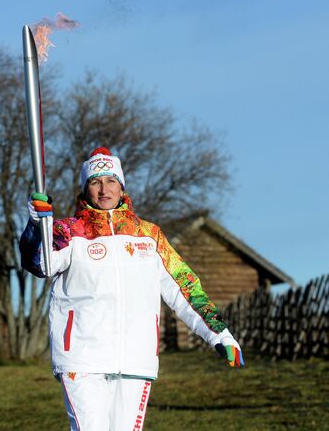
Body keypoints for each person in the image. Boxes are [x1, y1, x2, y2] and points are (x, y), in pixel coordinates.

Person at [20, 146, 243, 431]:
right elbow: (39, 263)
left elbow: (185, 287)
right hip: (82, 357)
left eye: (111, 180)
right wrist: (36, 226)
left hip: (136, 359)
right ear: (85, 188)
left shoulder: (149, 236)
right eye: (95, 181)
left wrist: (218, 334)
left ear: (121, 186)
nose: (104, 189)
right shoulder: (68, 232)